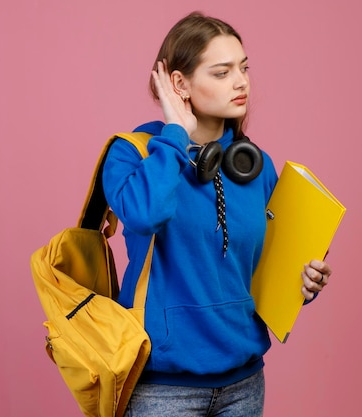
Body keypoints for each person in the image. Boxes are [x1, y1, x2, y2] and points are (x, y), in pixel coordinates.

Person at [102, 11, 333, 417]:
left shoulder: (255, 165)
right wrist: (175, 134)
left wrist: (303, 282)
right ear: (180, 83)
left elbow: (262, 274)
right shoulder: (131, 154)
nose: (241, 82)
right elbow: (144, 215)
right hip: (163, 389)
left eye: (243, 68)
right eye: (222, 72)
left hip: (244, 383)